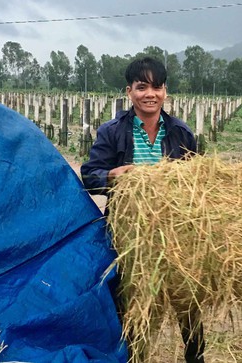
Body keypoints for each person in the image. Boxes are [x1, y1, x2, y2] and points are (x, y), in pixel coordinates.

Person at [80, 57, 204, 363]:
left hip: (176, 239)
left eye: (157, 86)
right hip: (129, 241)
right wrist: (113, 175)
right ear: (129, 91)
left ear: (165, 91)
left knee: (189, 311)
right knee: (132, 313)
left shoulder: (181, 133)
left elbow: (200, 184)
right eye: (142, 87)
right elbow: (89, 175)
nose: (150, 94)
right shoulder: (112, 132)